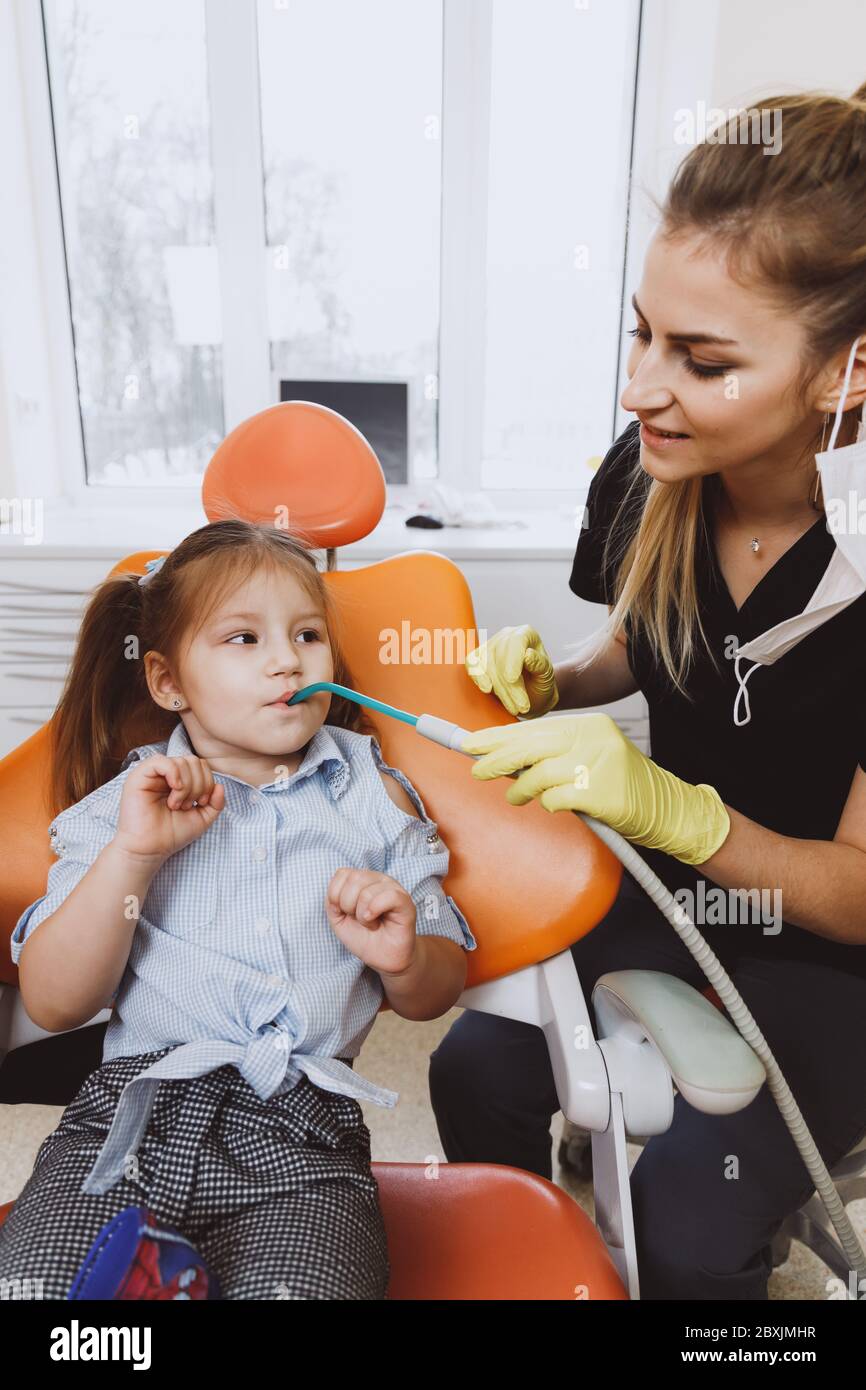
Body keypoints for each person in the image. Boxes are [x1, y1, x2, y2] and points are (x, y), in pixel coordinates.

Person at [429, 84, 866, 1300]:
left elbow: (857, 893)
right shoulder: (653, 468)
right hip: (663, 898)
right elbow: (640, 642)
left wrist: (684, 813)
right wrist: (551, 684)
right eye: (641, 333)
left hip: (828, 965)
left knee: (684, 1215)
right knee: (473, 1071)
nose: (639, 389)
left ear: (847, 367)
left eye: (701, 359)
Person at [0, 519, 476, 1300]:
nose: (288, 659)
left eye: (308, 634)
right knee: (34, 1293)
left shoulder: (375, 797)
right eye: (244, 639)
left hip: (304, 1141)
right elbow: (54, 1001)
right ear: (167, 682)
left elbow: (434, 993)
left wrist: (406, 954)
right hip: (124, 1128)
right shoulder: (123, 809)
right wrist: (136, 854)